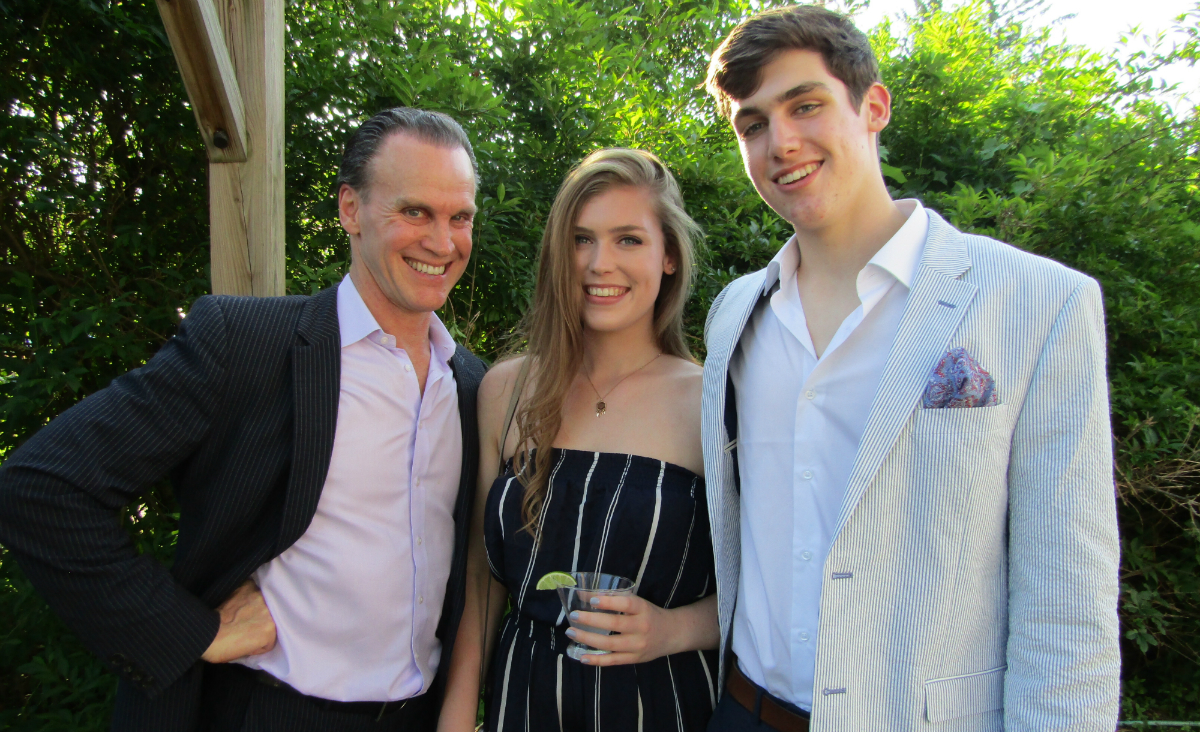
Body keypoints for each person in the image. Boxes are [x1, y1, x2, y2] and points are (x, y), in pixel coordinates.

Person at [699, 6, 1120, 731]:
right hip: (743, 712)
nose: (781, 142)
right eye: (753, 124)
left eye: (806, 105)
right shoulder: (736, 314)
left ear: (874, 107)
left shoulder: (1040, 303)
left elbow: (1068, 607)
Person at [0, 107, 487, 731]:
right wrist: (186, 631)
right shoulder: (245, 345)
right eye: (414, 211)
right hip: (269, 712)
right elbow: (42, 486)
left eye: (460, 217)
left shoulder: (473, 386)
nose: (442, 243)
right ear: (350, 210)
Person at [437, 148, 720, 732]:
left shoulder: (712, 403)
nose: (599, 263)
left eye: (628, 240)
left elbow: (772, 590)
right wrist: (459, 715)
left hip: (658, 707)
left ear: (669, 256)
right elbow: (481, 579)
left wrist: (674, 629)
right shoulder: (506, 391)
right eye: (581, 239)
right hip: (524, 704)